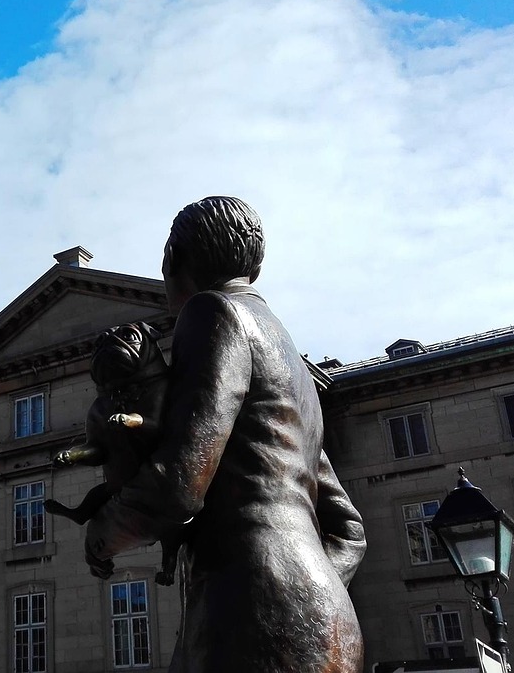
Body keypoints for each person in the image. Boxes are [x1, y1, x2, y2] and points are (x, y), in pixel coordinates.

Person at [84, 197, 366, 672]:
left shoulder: (211, 312)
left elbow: (179, 483)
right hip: (325, 620)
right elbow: (349, 531)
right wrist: (311, 588)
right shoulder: (289, 358)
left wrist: (101, 535)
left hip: (247, 611)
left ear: (173, 259)